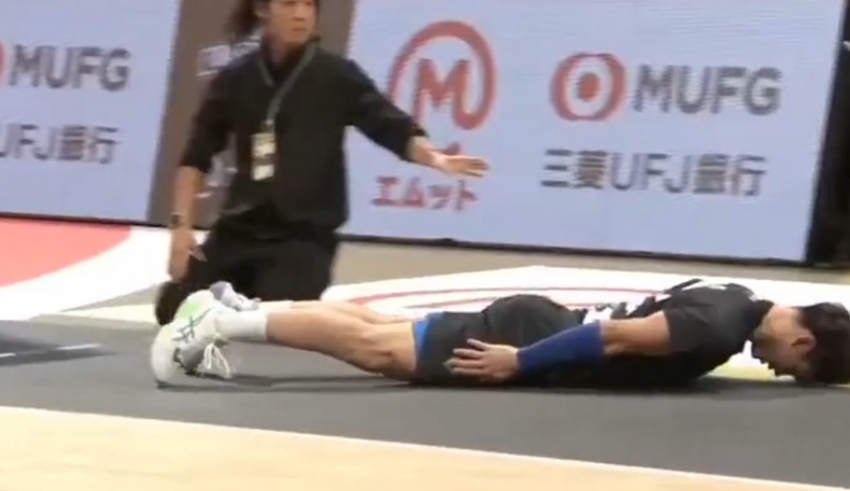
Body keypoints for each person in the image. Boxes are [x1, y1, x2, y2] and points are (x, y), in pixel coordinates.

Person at [155, 0, 489, 326]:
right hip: (239, 231)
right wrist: (181, 229)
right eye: (289, 4)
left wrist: (434, 157)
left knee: (271, 318)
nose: (301, 14)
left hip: (302, 239)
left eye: (309, 5)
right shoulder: (235, 79)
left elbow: (391, 127)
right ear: (262, 9)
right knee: (174, 311)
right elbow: (195, 157)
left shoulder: (337, 76)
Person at [150, 279, 850, 389]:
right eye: (800, 370)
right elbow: (612, 338)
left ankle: (244, 306)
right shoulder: (718, 324)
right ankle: (218, 322)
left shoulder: (737, 301)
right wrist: (521, 360)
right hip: (534, 336)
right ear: (806, 344)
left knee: (379, 327)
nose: (783, 373)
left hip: (537, 322)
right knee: (376, 348)